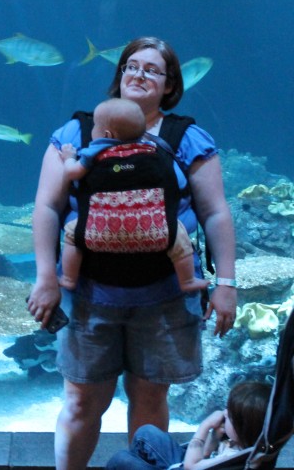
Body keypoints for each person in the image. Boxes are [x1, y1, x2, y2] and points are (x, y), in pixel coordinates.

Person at [26, 36, 239, 470]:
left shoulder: (187, 137)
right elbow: (47, 207)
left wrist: (227, 284)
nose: (140, 74)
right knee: (82, 400)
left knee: (149, 396)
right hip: (88, 296)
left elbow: (215, 213)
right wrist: (46, 278)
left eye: (153, 70)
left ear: (169, 85)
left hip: (164, 297)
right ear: (119, 75)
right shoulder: (77, 132)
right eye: (131, 66)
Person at [58, 97, 201, 294]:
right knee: (180, 235)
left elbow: (73, 173)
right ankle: (187, 280)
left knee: (72, 234)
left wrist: (69, 158)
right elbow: (177, 184)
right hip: (154, 230)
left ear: (107, 133)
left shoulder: (94, 152)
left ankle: (68, 278)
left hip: (101, 230)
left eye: (95, 127)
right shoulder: (155, 151)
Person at [105, 380, 271, 470]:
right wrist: (215, 436)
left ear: (243, 428)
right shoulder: (237, 443)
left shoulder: (233, 459)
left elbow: (192, 466)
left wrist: (204, 426)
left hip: (189, 466)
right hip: (190, 463)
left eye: (231, 416)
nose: (225, 413)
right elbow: (205, 454)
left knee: (122, 460)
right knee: (146, 433)